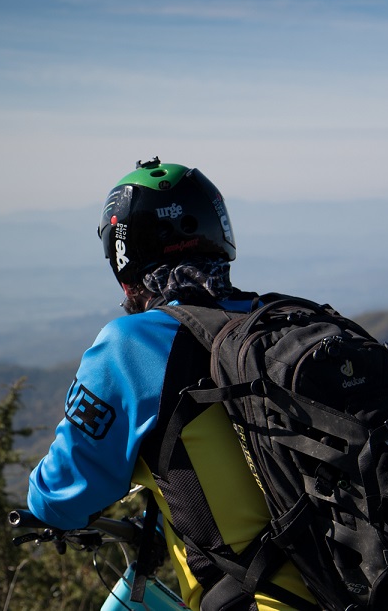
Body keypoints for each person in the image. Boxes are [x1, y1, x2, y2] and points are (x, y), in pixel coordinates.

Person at [26, 158, 316, 611]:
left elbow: (61, 495)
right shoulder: (283, 323)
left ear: (123, 263)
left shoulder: (132, 345)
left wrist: (42, 504)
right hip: (374, 585)